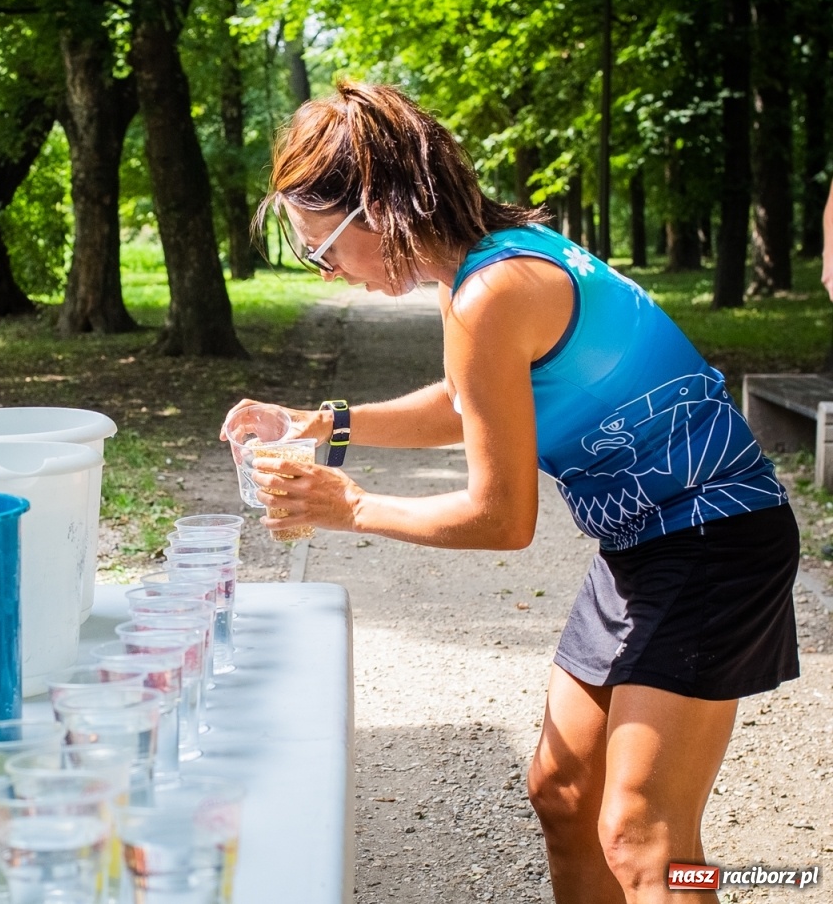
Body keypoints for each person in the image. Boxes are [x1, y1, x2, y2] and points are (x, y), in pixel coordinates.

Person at [229, 81, 798, 904]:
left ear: (377, 209)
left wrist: (349, 507)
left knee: (644, 836)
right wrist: (322, 423)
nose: (330, 270)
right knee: (563, 794)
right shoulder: (482, 266)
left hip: (716, 534)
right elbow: (474, 401)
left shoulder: (491, 293)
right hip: (647, 543)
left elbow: (501, 521)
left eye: (324, 249)